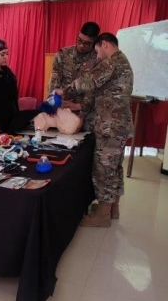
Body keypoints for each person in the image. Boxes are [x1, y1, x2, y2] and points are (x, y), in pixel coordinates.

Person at [56, 32, 133, 227]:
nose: (97, 55)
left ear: (104, 44)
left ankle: (103, 216)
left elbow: (88, 82)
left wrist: (63, 91)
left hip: (111, 126)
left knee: (104, 169)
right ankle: (113, 208)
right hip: (118, 125)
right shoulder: (122, 61)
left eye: (97, 50)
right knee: (114, 167)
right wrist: (77, 105)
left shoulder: (112, 62)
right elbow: (101, 93)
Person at [48, 22, 100, 131]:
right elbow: (54, 83)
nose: (81, 45)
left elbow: (97, 90)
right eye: (79, 40)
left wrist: (82, 109)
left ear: (94, 42)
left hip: (88, 113)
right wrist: (53, 102)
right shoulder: (63, 54)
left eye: (87, 43)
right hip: (63, 110)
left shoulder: (99, 59)